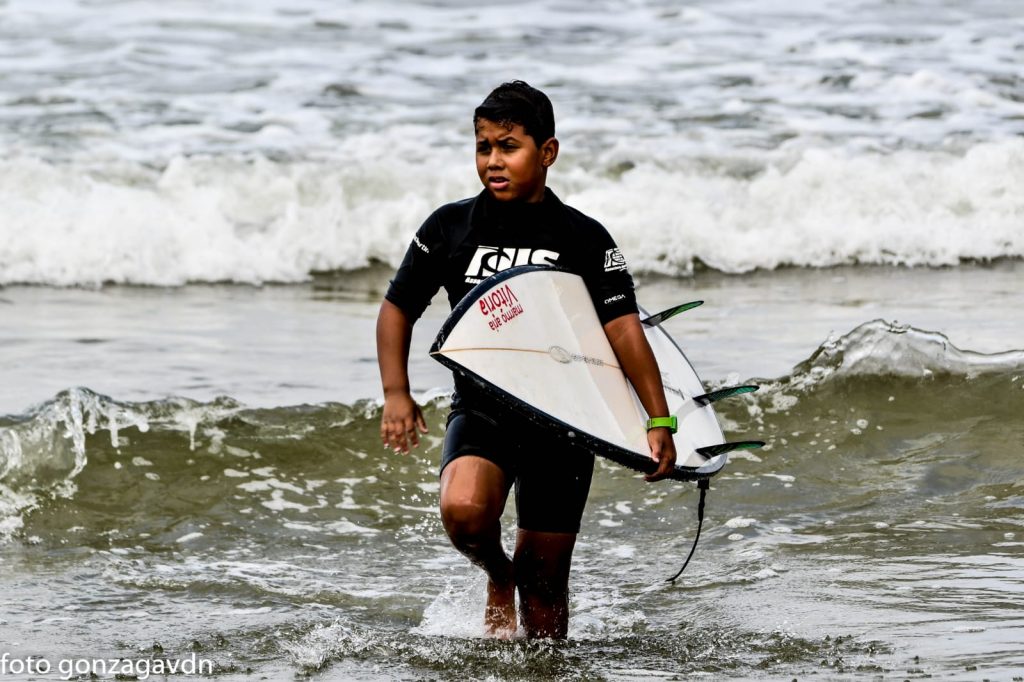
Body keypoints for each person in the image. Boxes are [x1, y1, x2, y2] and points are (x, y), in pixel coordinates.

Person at [376, 81, 677, 639]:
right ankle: (497, 574)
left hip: (565, 420)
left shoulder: (583, 238)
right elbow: (397, 309)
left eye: (508, 146)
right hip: (484, 407)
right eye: (483, 146)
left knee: (545, 596)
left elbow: (624, 332)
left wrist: (658, 419)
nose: (493, 160)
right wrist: (397, 392)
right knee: (465, 513)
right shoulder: (449, 227)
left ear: (547, 152)